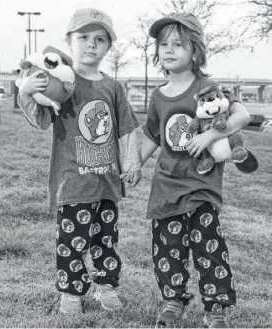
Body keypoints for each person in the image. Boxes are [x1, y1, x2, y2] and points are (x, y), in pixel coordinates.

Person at [17, 7, 141, 315]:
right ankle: (71, 292)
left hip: (107, 183)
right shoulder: (62, 84)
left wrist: (133, 162)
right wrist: (27, 94)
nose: (91, 44)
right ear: (69, 41)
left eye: (100, 39)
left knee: (106, 240)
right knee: (71, 241)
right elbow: (42, 121)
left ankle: (107, 287)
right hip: (72, 182)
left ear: (108, 46)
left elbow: (127, 129)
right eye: (83, 37)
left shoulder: (113, 87)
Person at [138, 12, 251, 328]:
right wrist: (133, 165)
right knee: (167, 253)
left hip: (201, 188)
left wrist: (211, 134)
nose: (169, 49)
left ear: (196, 51)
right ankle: (173, 301)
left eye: (178, 44)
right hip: (165, 190)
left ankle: (216, 308)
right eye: (163, 44)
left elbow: (242, 116)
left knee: (209, 251)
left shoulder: (206, 87)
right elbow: (151, 135)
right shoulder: (158, 96)